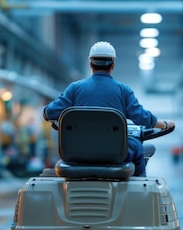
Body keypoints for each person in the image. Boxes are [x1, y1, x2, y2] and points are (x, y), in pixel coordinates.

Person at [43, 41, 174, 176]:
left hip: (76, 152)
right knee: (137, 146)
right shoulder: (123, 90)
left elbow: (50, 112)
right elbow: (142, 117)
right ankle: (140, 186)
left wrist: (46, 112)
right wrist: (164, 124)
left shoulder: (74, 88)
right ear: (113, 65)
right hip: (115, 154)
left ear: (90, 64)